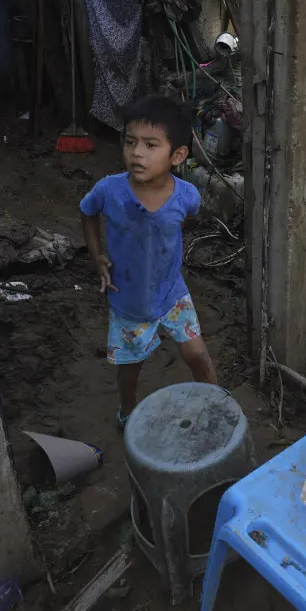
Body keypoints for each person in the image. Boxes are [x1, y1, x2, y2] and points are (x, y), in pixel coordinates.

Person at [80, 94, 218, 427]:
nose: (137, 152)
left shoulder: (187, 196)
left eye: (151, 145)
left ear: (177, 155)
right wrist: (97, 256)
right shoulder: (109, 191)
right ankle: (127, 413)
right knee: (131, 368)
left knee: (196, 353)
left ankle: (217, 402)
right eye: (130, 142)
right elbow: (87, 212)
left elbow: (186, 220)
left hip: (172, 293)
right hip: (129, 301)